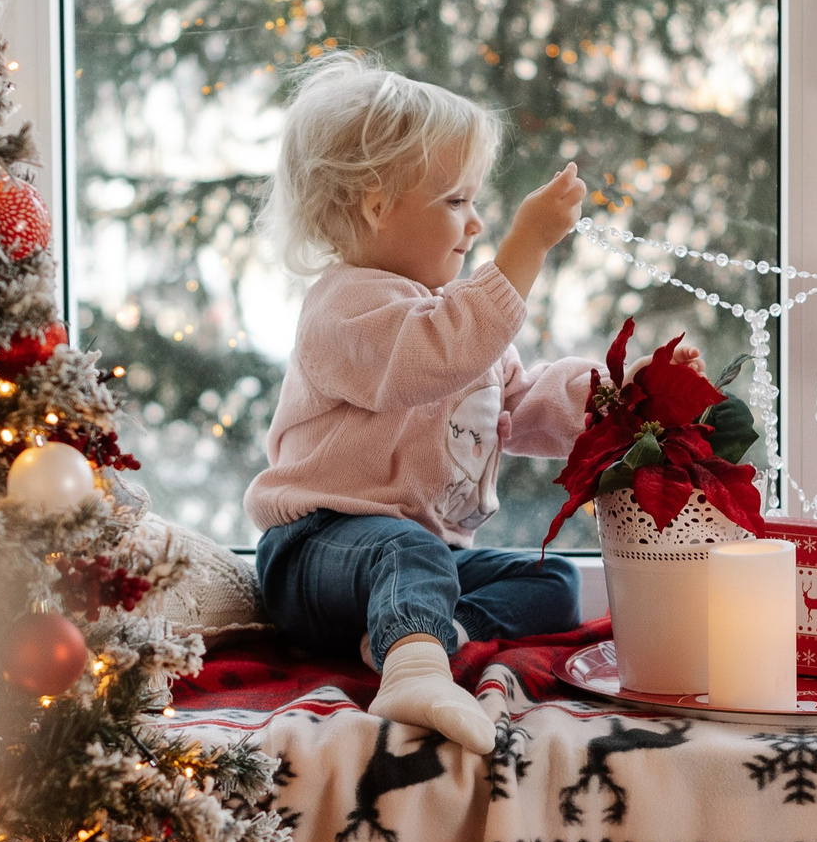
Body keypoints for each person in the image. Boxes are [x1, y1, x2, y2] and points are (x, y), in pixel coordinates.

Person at [247, 52, 686, 751]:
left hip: (412, 562)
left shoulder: (457, 319)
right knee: (409, 551)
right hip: (315, 552)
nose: (476, 223)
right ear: (376, 207)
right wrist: (526, 248)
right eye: (456, 202)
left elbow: (522, 404)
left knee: (551, 582)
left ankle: (417, 635)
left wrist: (620, 395)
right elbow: (431, 354)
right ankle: (413, 675)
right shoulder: (346, 305)